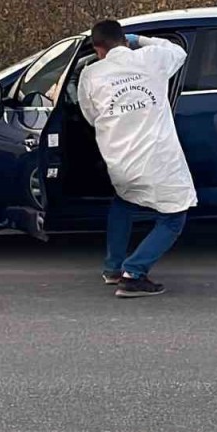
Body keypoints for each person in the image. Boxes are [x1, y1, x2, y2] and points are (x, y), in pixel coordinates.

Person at [77, 20, 197, 297]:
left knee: (124, 202)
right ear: (124, 40)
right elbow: (178, 51)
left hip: (119, 160)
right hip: (157, 159)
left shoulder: (91, 75)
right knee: (174, 217)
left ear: (98, 49)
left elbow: (90, 116)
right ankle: (134, 274)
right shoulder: (149, 58)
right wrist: (140, 39)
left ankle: (113, 268)